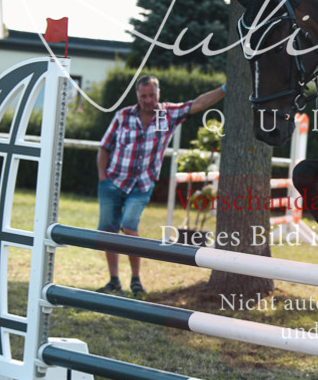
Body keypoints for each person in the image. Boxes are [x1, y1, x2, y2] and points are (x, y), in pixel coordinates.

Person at [96, 75, 225, 298]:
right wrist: (102, 178)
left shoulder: (167, 114)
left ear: (159, 94)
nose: (148, 100)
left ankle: (136, 279)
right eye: (143, 96)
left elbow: (198, 104)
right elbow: (104, 147)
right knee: (108, 232)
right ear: (137, 95)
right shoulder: (123, 116)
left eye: (152, 95)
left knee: (129, 226)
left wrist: (225, 88)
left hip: (141, 185)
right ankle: (114, 280)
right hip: (113, 181)